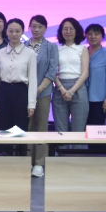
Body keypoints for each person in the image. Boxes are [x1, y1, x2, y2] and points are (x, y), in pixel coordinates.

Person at [26, 15, 59, 177]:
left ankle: (39, 163)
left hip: (43, 92)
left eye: (40, 26)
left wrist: (38, 89)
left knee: (41, 127)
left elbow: (52, 71)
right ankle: (27, 160)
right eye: (33, 26)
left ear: (45, 28)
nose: (36, 29)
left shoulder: (51, 47)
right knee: (27, 127)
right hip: (24, 93)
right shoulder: (23, 45)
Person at [0, 19, 37, 131]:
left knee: (21, 129)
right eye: (11, 31)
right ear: (6, 31)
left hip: (21, 92)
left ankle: (21, 144)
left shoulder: (30, 53)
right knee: (3, 128)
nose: (14, 34)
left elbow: (33, 80)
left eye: (17, 31)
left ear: (22, 32)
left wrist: (31, 104)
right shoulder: (0, 53)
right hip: (3, 91)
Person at [53, 18, 90, 133]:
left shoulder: (82, 49)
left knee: (78, 131)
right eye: (65, 29)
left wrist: (71, 91)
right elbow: (52, 72)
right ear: (61, 31)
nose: (68, 32)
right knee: (61, 131)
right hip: (60, 88)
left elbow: (85, 73)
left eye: (71, 29)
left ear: (77, 31)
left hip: (78, 87)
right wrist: (61, 88)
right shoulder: (56, 49)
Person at [85, 24, 106, 126]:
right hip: (81, 99)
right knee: (80, 131)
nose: (93, 36)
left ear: (102, 36)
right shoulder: (82, 53)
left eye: (96, 34)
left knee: (96, 130)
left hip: (99, 100)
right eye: (90, 34)